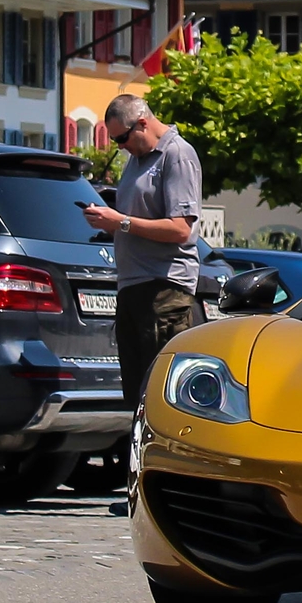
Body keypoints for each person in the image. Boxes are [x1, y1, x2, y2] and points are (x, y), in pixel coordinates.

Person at [78, 95, 204, 406]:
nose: (120, 146)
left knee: (163, 396)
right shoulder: (136, 160)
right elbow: (136, 220)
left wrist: (120, 223)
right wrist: (108, 221)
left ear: (143, 123)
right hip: (133, 287)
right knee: (137, 397)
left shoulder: (177, 155)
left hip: (164, 290)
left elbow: (181, 229)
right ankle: (138, 454)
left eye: (122, 138)